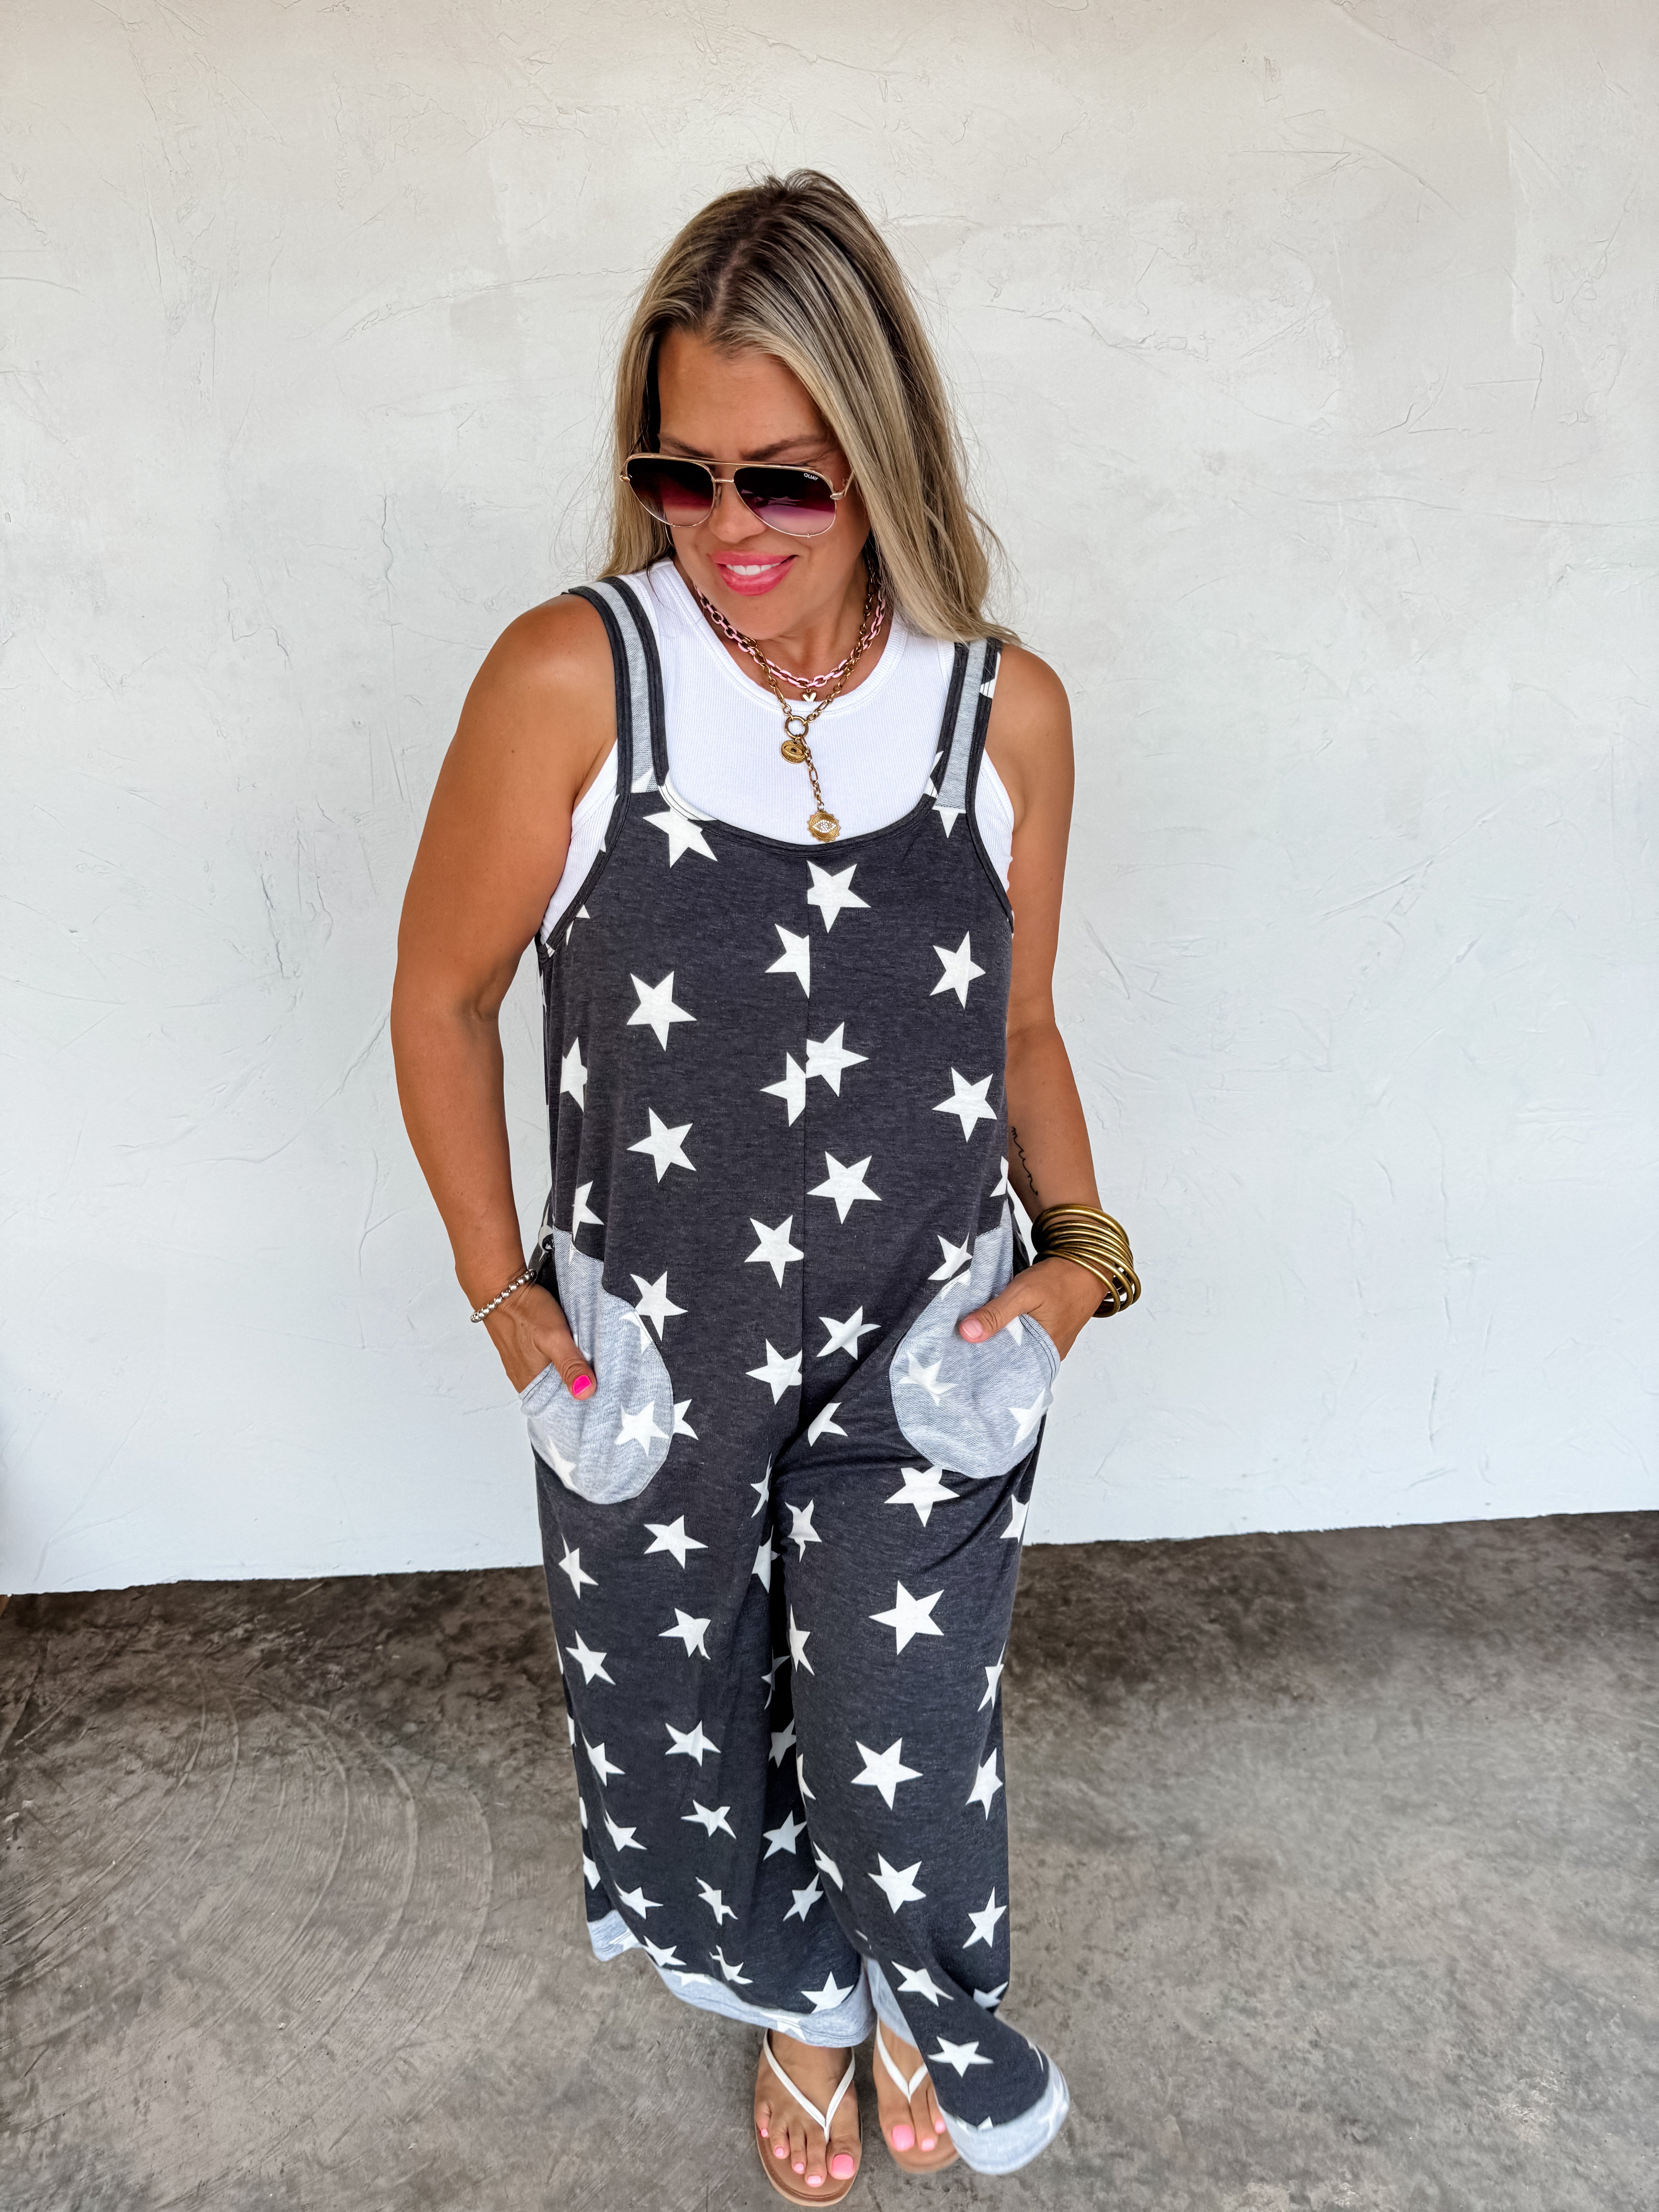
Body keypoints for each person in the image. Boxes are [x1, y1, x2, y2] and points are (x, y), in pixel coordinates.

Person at [391, 169, 1137, 2198]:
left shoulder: (1003, 714)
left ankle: (916, 1991)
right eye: (680, 472)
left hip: (928, 1349)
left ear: (882, 452)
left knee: (910, 1738)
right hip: (660, 1360)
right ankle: (803, 1998)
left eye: (786, 480)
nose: (727, 530)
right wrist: (508, 1301)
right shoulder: (578, 681)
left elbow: (1023, 1031)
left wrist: (1078, 1271)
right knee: (687, 1747)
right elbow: (442, 996)